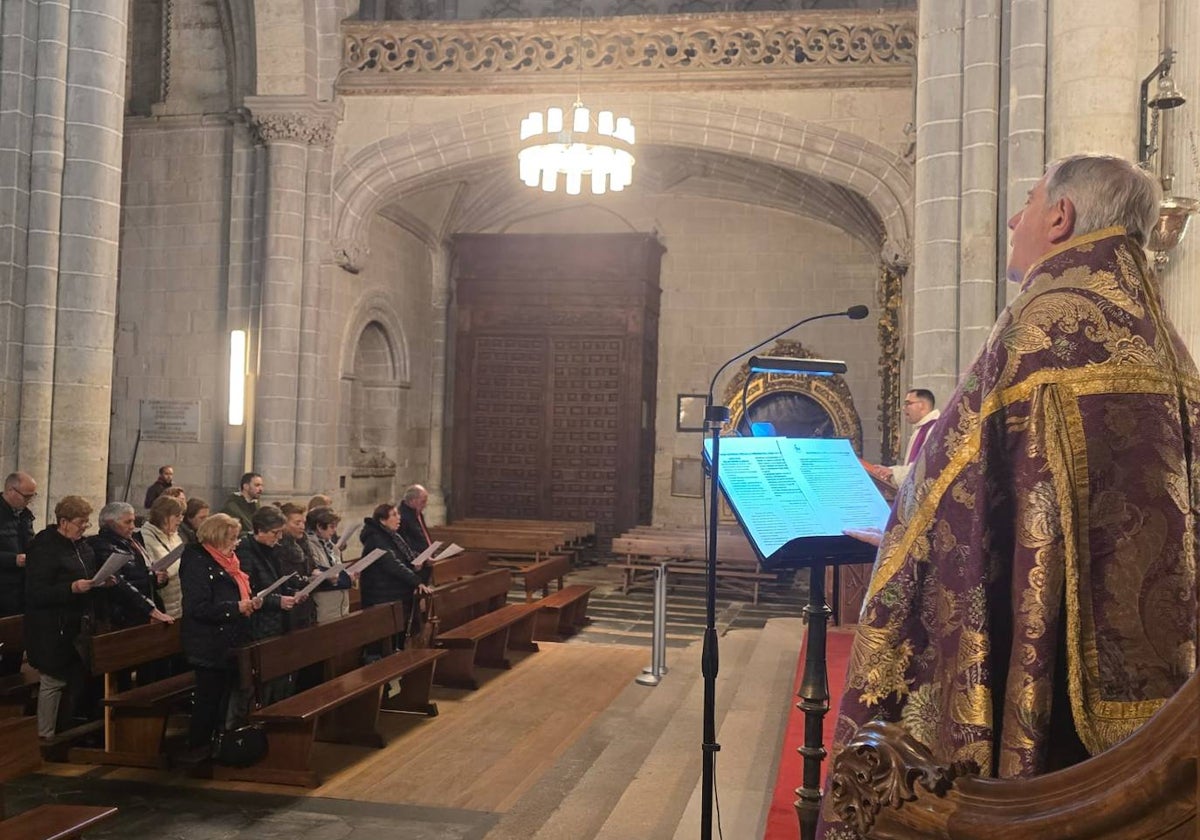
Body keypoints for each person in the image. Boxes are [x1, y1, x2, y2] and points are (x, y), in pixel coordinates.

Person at [820, 154, 1200, 837]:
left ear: (1062, 218)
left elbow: (950, 482)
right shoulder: (1164, 342)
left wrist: (906, 552)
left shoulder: (1044, 323)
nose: (1015, 220)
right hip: (1172, 705)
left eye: (1026, 205)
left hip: (1051, 680)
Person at [23, 496, 109, 739]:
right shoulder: (44, 547)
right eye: (81, 522)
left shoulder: (80, 545)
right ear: (64, 521)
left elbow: (88, 573)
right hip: (50, 628)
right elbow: (36, 593)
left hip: (77, 626)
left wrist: (100, 582)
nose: (85, 527)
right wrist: (71, 588)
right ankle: (45, 736)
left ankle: (64, 731)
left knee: (74, 680)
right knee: (53, 680)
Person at [179, 513, 259, 755]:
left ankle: (223, 741)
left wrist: (248, 603)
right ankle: (200, 747)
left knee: (226, 695)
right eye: (232, 538)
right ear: (216, 537)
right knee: (209, 698)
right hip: (208, 643)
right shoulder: (196, 561)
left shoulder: (230, 562)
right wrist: (235, 608)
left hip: (232, 639)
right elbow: (197, 607)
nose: (236, 543)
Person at [236, 506, 302, 703]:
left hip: (277, 622)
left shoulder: (273, 550)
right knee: (262, 684)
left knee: (280, 677)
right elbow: (249, 593)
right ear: (259, 530)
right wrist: (278, 601)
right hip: (258, 625)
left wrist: (293, 593)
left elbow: (278, 582)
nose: (279, 537)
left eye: (281, 532)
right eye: (275, 533)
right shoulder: (245, 551)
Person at [88, 502, 172, 630]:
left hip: (142, 609)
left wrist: (158, 578)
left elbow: (141, 570)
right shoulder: (102, 546)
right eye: (127, 522)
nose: (133, 527)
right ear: (110, 523)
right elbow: (119, 583)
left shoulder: (132, 541)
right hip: (122, 616)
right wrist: (151, 608)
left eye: (133, 521)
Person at [359, 502, 432, 648]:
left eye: (398, 514)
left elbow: (404, 556)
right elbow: (393, 564)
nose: (399, 518)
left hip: (395, 593)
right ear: (382, 520)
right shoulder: (376, 539)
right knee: (386, 640)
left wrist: (419, 560)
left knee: (398, 636)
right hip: (382, 595)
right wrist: (417, 581)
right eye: (394, 515)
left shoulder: (393, 536)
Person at [0, 472, 36, 675]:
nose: (29, 500)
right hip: (2, 589)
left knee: (15, 648)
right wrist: (13, 559)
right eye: (26, 496)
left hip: (20, 592)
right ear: (11, 491)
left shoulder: (24, 515)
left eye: (33, 496)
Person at [142, 495, 186, 619]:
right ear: (163, 516)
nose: (181, 520)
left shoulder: (175, 536)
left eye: (181, 515)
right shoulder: (146, 537)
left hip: (178, 599)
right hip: (161, 601)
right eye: (177, 516)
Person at [275, 502, 317, 631]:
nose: (302, 527)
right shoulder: (279, 547)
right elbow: (285, 576)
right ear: (284, 524)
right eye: (297, 523)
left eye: (303, 522)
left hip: (307, 603)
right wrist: (308, 580)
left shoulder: (303, 543)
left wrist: (315, 572)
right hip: (289, 607)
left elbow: (311, 566)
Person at [306, 506, 352, 624]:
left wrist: (349, 576)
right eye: (332, 527)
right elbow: (319, 573)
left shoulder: (333, 547)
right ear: (319, 527)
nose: (334, 531)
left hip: (341, 605)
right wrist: (345, 578)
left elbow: (337, 570)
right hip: (325, 607)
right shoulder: (309, 546)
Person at [221, 472, 263, 536]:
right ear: (245, 486)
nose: (261, 489)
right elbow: (230, 532)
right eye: (257, 485)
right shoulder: (232, 506)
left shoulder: (255, 504)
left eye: (262, 486)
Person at [398, 484, 432, 554]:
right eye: (423, 502)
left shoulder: (418, 514)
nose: (425, 505)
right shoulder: (401, 517)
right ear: (412, 501)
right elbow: (406, 544)